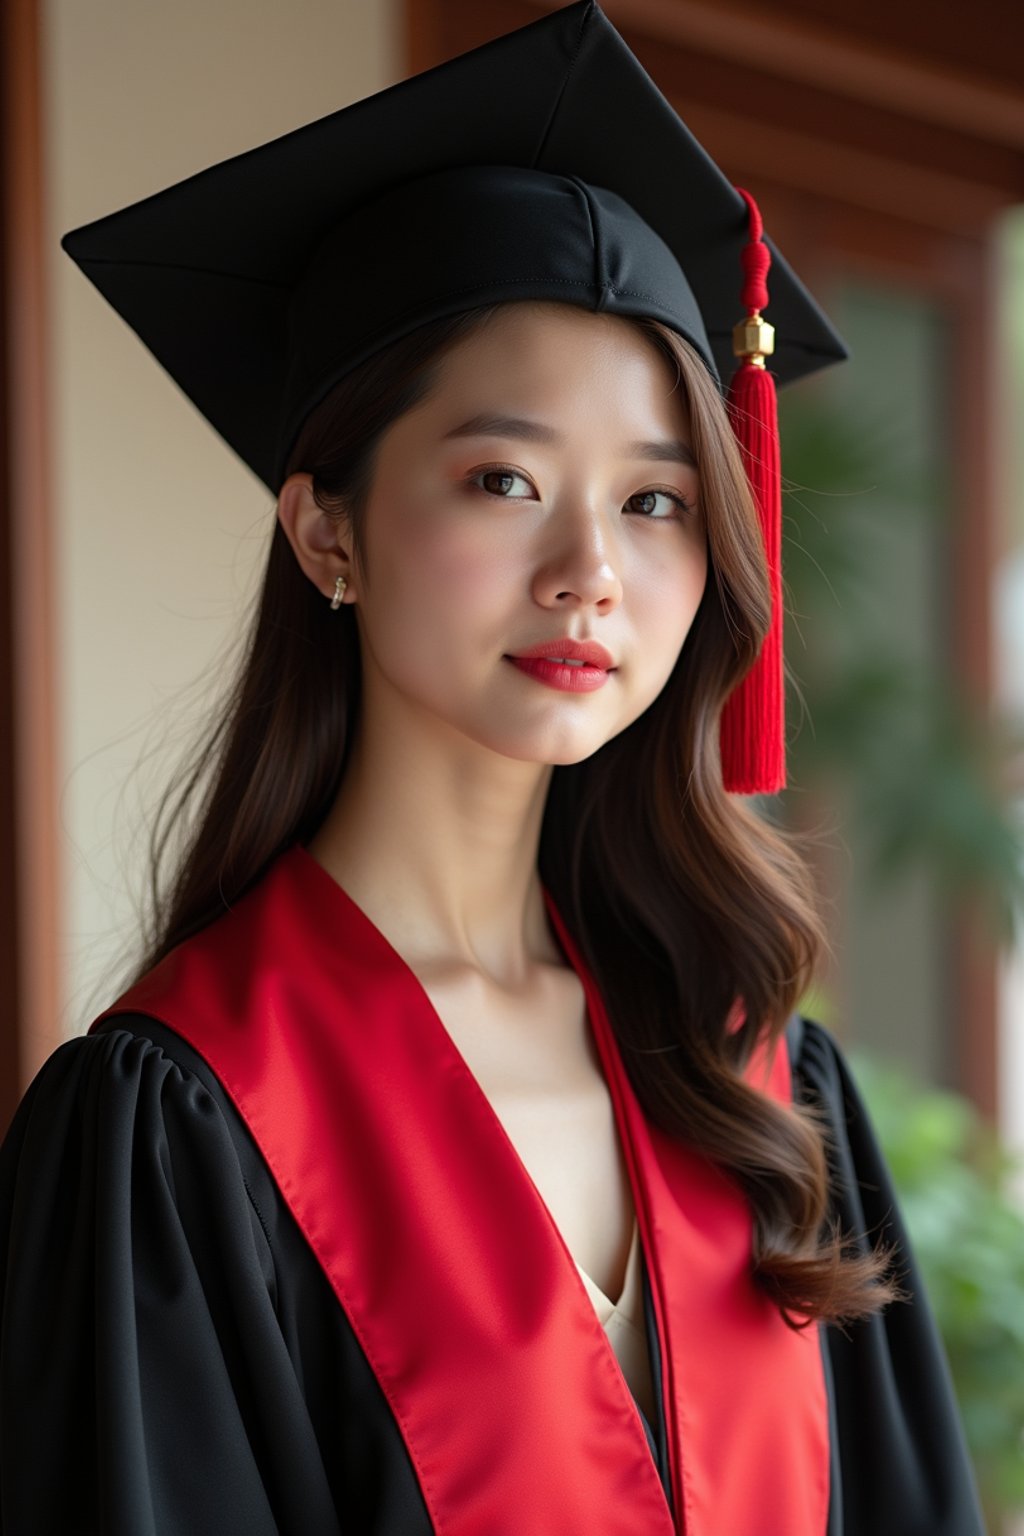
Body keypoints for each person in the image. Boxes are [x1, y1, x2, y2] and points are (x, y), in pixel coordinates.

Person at [0, 4, 985, 1534]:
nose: (591, 570)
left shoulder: (763, 1078)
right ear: (327, 530)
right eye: (503, 480)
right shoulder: (182, 1125)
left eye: (657, 501)